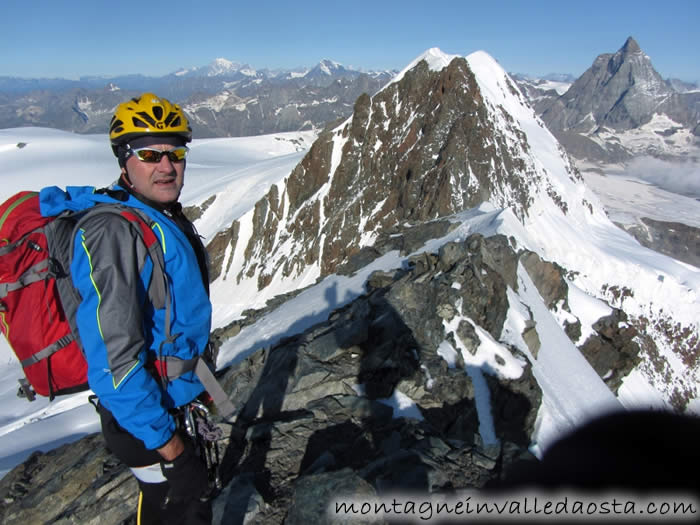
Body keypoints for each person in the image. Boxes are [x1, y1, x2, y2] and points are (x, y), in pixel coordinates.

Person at [40, 93, 217, 524]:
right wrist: (173, 451)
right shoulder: (111, 233)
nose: (166, 165)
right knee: (174, 511)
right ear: (125, 160)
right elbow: (115, 362)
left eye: (175, 153)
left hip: (175, 401)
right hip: (150, 421)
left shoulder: (155, 214)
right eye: (149, 154)